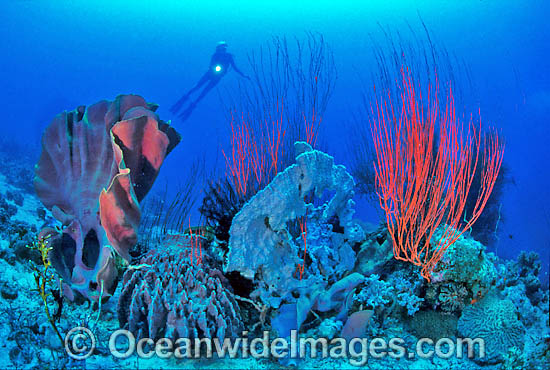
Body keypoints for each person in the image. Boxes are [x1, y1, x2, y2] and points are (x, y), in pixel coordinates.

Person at [171, 41, 250, 121]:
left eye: (224, 48)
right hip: (210, 73)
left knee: (205, 91)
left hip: (217, 77)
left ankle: (194, 103)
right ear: (218, 48)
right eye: (221, 48)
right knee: (197, 86)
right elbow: (212, 64)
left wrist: (243, 75)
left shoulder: (229, 57)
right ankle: (186, 96)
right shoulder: (215, 55)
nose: (223, 50)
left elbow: (235, 68)